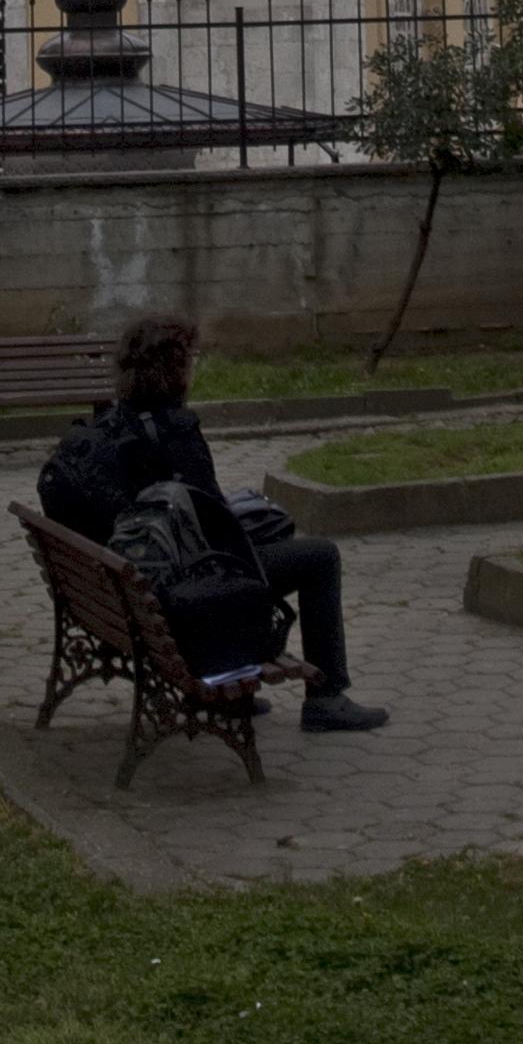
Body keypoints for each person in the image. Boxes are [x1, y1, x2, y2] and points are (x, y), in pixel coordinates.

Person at [89, 312, 389, 734]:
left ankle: (237, 692)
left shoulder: (115, 424)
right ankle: (326, 697)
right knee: (320, 556)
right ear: (174, 367)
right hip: (185, 585)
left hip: (137, 584)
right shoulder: (176, 429)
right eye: (190, 359)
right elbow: (217, 526)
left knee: (267, 537)